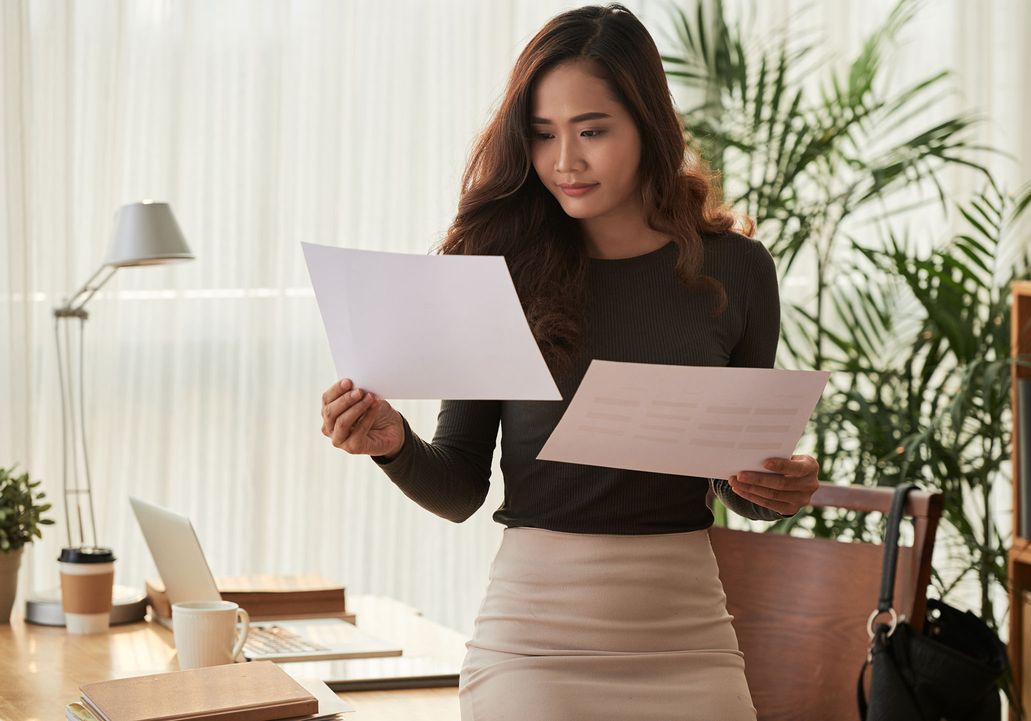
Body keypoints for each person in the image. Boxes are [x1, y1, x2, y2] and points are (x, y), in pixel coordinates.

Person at [319, 4, 820, 719]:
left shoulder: (738, 270)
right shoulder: (500, 266)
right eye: (543, 134)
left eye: (592, 131)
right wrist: (393, 444)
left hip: (690, 637)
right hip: (534, 646)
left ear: (649, 123)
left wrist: (772, 483)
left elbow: (734, 479)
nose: (565, 162)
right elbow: (460, 486)